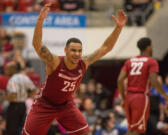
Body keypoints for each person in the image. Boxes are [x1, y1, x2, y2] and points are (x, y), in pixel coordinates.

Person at [22, 3, 127, 135]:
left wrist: (118, 28)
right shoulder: (55, 62)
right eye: (73, 50)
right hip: (44, 105)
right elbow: (37, 45)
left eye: (79, 51)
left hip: (66, 105)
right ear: (65, 50)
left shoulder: (84, 62)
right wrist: (40, 21)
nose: (77, 54)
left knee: (84, 133)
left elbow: (105, 48)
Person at [117, 37, 168, 135]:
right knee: (137, 131)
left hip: (129, 97)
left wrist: (123, 98)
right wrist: (165, 96)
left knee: (131, 129)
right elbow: (154, 82)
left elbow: (120, 80)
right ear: (148, 47)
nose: (152, 48)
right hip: (140, 98)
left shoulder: (129, 61)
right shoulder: (151, 61)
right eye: (152, 46)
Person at [6, 61, 36, 135]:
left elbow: (14, 94)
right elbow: (33, 90)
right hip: (23, 105)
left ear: (13, 69)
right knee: (22, 127)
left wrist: (5, 98)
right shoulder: (25, 77)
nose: (6, 70)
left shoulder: (12, 79)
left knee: (12, 129)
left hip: (14, 105)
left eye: (8, 68)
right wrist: (26, 96)